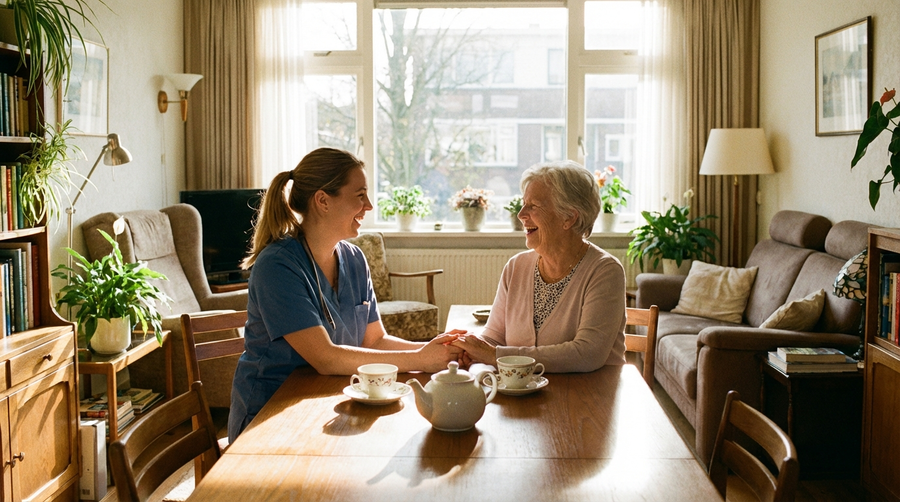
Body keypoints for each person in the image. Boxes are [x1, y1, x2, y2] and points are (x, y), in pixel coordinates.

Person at [228, 147, 461, 441]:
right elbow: (325, 358)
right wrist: (421, 360)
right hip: (270, 416)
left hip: (329, 403)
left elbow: (374, 339)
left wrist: (431, 350)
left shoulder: (353, 258)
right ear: (323, 201)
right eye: (359, 195)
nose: (370, 206)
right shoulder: (277, 266)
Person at [452, 160, 626, 373]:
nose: (521, 214)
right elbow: (494, 337)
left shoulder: (605, 271)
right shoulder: (516, 267)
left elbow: (588, 353)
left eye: (533, 206)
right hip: (523, 396)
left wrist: (494, 355)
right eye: (523, 204)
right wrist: (469, 350)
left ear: (569, 217)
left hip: (590, 398)